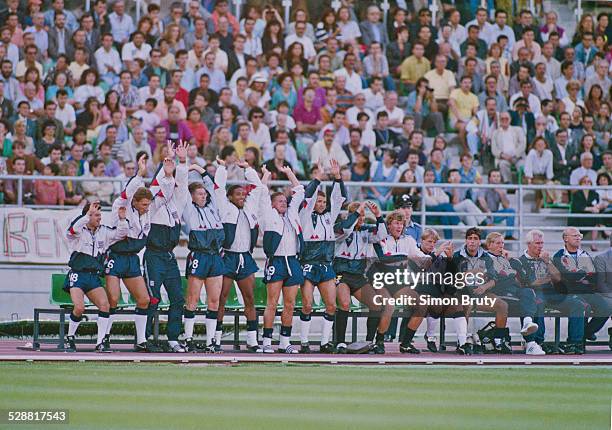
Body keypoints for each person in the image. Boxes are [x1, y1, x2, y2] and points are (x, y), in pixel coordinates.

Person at [102, 154, 169, 352]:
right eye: (143, 204)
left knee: (144, 300)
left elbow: (157, 188)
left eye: (148, 205)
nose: (146, 208)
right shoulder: (121, 206)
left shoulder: (147, 211)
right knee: (113, 299)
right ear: (135, 202)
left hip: (132, 258)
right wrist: (140, 173)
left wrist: (166, 171)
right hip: (116, 256)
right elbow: (129, 190)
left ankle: (140, 340)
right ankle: (104, 337)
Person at [213, 158, 266, 352]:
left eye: (243, 194)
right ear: (230, 197)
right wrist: (222, 167)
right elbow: (218, 187)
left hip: (245, 257)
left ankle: (252, 340)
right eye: (238, 194)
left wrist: (248, 170)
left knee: (249, 299)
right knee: (222, 298)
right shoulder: (225, 207)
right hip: (228, 257)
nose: (242, 197)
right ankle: (215, 339)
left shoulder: (250, 207)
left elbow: (259, 188)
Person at [143, 141, 190, 353]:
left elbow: (182, 184)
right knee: (152, 298)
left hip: (169, 257)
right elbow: (156, 187)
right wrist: (166, 169)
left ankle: (172, 338)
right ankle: (144, 338)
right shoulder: (152, 206)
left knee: (178, 298)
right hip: (153, 255)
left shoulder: (177, 205)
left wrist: (182, 162)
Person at [63, 201, 128, 352]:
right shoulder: (79, 230)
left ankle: (100, 343)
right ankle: (70, 337)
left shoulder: (103, 231)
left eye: (100, 215)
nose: (99, 218)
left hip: (93, 276)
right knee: (79, 308)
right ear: (87, 215)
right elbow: (72, 230)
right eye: (96, 215)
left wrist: (123, 220)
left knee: (105, 306)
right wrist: (86, 215)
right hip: (78, 274)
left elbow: (120, 234)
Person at [298, 160, 346, 353]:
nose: (321, 204)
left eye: (323, 202)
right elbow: (307, 197)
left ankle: (325, 342)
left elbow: (339, 198)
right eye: (318, 201)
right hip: (308, 262)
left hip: (326, 264)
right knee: (308, 304)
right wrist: (317, 180)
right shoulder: (304, 214)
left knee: (331, 306)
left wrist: (337, 178)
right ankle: (304, 342)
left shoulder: (329, 216)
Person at [367, 210, 428, 354]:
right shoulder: (381, 239)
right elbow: (384, 259)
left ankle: (406, 343)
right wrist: (405, 257)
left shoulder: (409, 240)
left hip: (399, 282)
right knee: (389, 305)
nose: (399, 226)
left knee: (422, 305)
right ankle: (379, 341)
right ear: (388, 225)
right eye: (396, 223)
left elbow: (420, 256)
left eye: (401, 223)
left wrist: (436, 255)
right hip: (380, 280)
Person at [518, 230, 588, 354]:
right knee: (538, 302)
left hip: (553, 294)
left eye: (542, 243)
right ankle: (538, 342)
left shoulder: (547, 259)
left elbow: (557, 278)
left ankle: (574, 342)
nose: (540, 246)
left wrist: (548, 262)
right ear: (529, 244)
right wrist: (547, 279)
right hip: (535, 294)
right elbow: (531, 283)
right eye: (537, 243)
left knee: (577, 303)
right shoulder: (521, 261)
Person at [259, 164, 304, 353]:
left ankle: (285, 342)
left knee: (290, 304)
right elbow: (261, 194)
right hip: (276, 261)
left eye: (284, 200)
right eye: (279, 201)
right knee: (272, 302)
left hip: (292, 261)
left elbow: (300, 191)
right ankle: (267, 341)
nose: (283, 202)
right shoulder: (268, 215)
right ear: (271, 205)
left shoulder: (292, 214)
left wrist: (289, 173)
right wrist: (266, 176)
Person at [333, 201, 389, 353]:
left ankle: (369, 341)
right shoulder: (340, 228)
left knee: (376, 305)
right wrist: (356, 213)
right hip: (342, 273)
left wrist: (378, 215)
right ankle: (340, 342)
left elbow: (382, 235)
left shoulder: (366, 231)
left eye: (363, 216)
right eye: (359, 216)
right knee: (344, 304)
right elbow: (346, 229)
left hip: (358, 275)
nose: (362, 219)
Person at [552, 227, 612, 353]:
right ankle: (574, 342)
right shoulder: (559, 256)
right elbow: (568, 277)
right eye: (575, 235)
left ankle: (585, 334)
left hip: (587, 291)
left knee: (606, 307)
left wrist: (580, 275)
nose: (578, 237)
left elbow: (593, 276)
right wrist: (581, 275)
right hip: (569, 293)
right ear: (565, 238)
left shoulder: (585, 254)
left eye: (580, 235)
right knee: (582, 306)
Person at [478, 169, 516, 239]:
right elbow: (481, 200)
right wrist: (487, 211)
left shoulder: (501, 188)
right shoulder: (484, 187)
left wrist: (501, 193)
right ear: (489, 178)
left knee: (511, 211)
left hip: (494, 214)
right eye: (494, 176)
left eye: (498, 176)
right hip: (483, 214)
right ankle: (484, 242)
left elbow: (506, 206)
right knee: (485, 222)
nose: (496, 178)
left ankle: (508, 235)